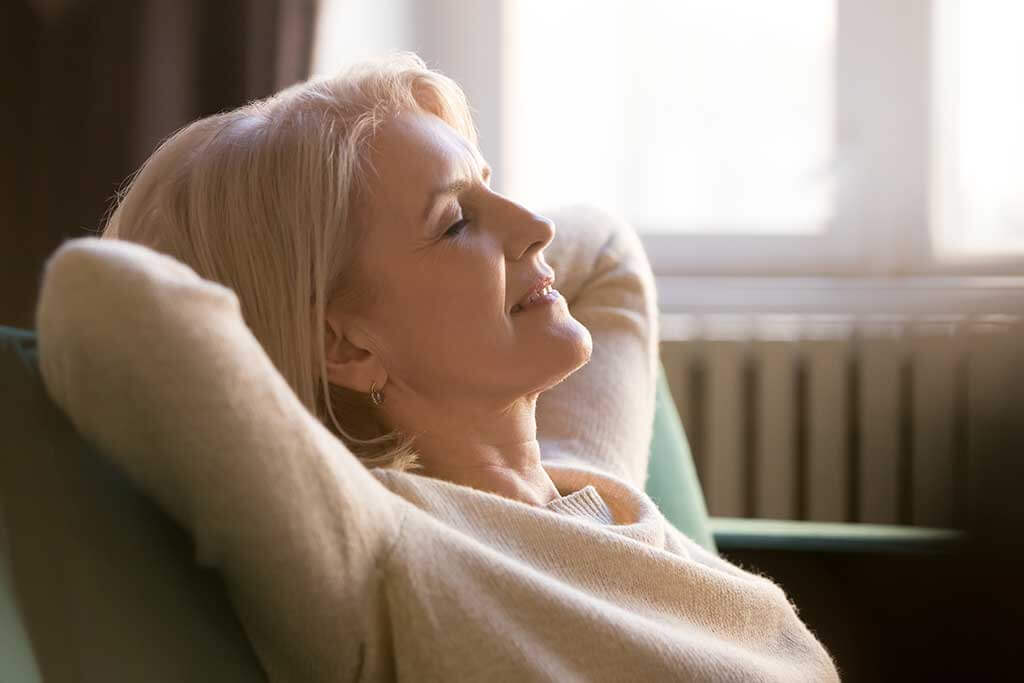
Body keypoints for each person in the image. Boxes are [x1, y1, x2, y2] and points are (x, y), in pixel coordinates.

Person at [34, 53, 840, 681]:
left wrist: (447, 189)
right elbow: (103, 298)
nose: (533, 227)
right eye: (457, 223)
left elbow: (602, 246)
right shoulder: (381, 548)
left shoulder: (588, 473)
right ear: (345, 346)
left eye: (492, 189)